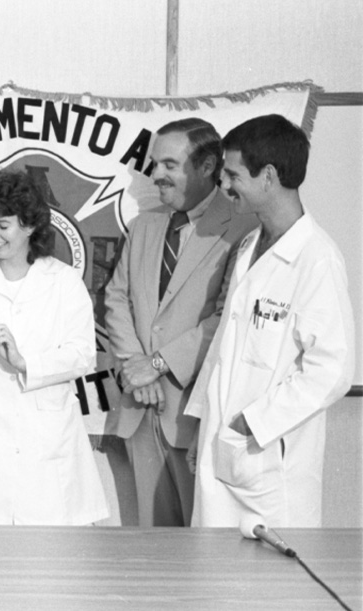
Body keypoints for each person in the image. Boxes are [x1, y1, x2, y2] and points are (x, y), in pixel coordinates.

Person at [185, 114, 354, 528]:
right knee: (212, 580)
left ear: (269, 176)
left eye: (232, 174)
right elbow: (225, 346)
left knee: (272, 586)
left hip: (268, 460)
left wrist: (254, 423)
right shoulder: (249, 246)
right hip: (224, 446)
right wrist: (201, 423)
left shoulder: (316, 259)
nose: (222, 186)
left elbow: (332, 371)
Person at [0, 170, 109, 525]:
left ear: (29, 226)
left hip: (46, 434)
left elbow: (83, 354)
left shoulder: (64, 280)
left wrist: (26, 362)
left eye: (4, 225)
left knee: (48, 560)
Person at [103, 118, 258, 527]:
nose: (156, 176)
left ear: (207, 166)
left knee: (199, 554)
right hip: (139, 410)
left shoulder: (245, 230)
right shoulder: (144, 227)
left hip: (194, 417)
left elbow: (227, 318)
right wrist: (140, 369)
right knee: (147, 552)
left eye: (169, 165)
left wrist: (157, 364)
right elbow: (116, 299)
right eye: (155, 165)